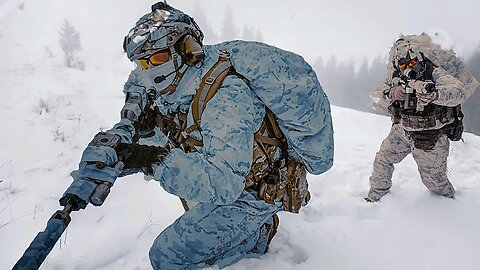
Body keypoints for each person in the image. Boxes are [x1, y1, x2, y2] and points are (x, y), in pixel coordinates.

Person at [60, 2, 334, 269]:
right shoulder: (176, 88)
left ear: (187, 49)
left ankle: (257, 236)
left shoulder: (226, 97)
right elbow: (167, 139)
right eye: (143, 63)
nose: (151, 69)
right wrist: (117, 154)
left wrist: (147, 160)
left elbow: (223, 183)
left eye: (158, 57)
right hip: (233, 173)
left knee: (167, 257)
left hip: (255, 190)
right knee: (191, 196)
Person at [366, 33, 479, 202]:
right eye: (403, 65)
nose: (408, 68)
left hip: (430, 136)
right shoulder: (397, 77)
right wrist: (391, 93)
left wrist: (435, 95)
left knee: (434, 182)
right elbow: (375, 96)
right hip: (401, 131)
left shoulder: (434, 72)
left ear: (419, 58)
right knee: (383, 160)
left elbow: (458, 91)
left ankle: (451, 208)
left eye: (412, 63)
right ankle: (375, 198)